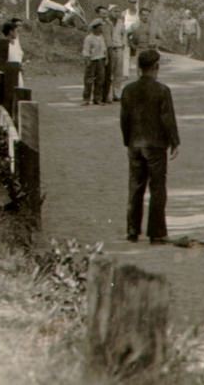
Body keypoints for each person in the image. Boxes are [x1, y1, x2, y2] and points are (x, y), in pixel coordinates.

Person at [120, 49, 180, 244]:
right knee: (157, 188)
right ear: (156, 67)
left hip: (135, 144)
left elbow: (124, 119)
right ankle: (156, 233)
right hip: (155, 145)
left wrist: (127, 140)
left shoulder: (128, 90)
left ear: (139, 68)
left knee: (135, 187)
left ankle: (132, 231)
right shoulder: (163, 90)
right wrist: (174, 142)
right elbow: (167, 119)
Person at [82, 19, 108, 105]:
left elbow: (104, 49)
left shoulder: (101, 37)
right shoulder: (89, 38)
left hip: (101, 59)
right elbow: (86, 50)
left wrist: (106, 58)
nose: (101, 29)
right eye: (100, 28)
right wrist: (87, 60)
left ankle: (97, 98)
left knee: (100, 80)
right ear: (95, 28)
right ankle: (86, 99)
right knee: (89, 80)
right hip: (92, 60)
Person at [5, 21, 24, 89]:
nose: (17, 33)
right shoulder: (5, 45)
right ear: (11, 32)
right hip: (10, 73)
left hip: (18, 72)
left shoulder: (15, 43)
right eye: (15, 31)